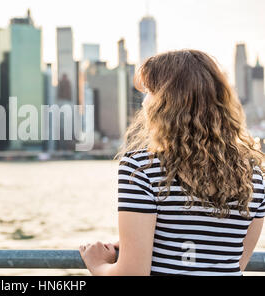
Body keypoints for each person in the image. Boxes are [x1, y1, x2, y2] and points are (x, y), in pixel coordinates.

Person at [79, 50, 265, 276]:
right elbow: (229, 264)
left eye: (149, 91)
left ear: (165, 103)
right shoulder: (253, 174)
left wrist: (97, 263)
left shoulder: (141, 168)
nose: (144, 101)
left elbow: (132, 274)